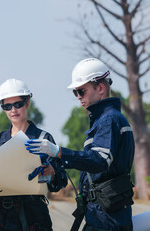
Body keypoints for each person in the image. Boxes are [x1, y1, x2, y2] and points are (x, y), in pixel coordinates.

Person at [26, 58, 135, 231]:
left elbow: (99, 160)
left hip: (107, 218)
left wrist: (59, 152)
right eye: (75, 93)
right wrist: (55, 166)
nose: (78, 97)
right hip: (104, 214)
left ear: (100, 88)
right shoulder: (105, 120)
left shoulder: (109, 119)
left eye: (81, 91)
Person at [0, 78, 68, 231]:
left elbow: (60, 181)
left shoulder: (43, 139)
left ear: (27, 103)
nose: (13, 110)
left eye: (18, 104)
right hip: (0, 220)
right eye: (7, 106)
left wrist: (53, 173)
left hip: (34, 218)